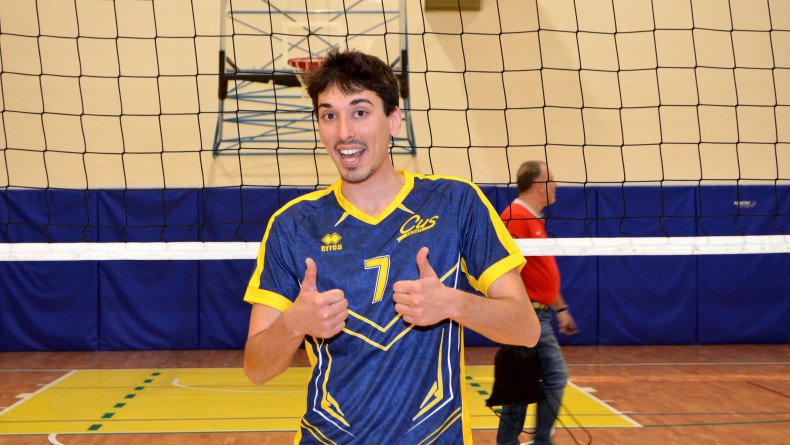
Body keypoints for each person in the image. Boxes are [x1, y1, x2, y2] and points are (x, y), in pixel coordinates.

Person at [242, 48, 541, 445]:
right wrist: (294, 323)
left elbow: (526, 329)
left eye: (360, 112)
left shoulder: (455, 203)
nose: (344, 132)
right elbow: (256, 369)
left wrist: (452, 303)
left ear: (394, 120)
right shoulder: (292, 225)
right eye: (329, 115)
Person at [496, 160, 578, 445]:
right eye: (551, 179)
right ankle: (542, 440)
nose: (556, 185)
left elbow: (540, 274)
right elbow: (505, 269)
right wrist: (516, 312)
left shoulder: (532, 219)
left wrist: (561, 309)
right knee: (555, 376)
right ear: (539, 186)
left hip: (537, 312)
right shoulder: (516, 217)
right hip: (527, 314)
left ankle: (509, 442)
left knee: (520, 384)